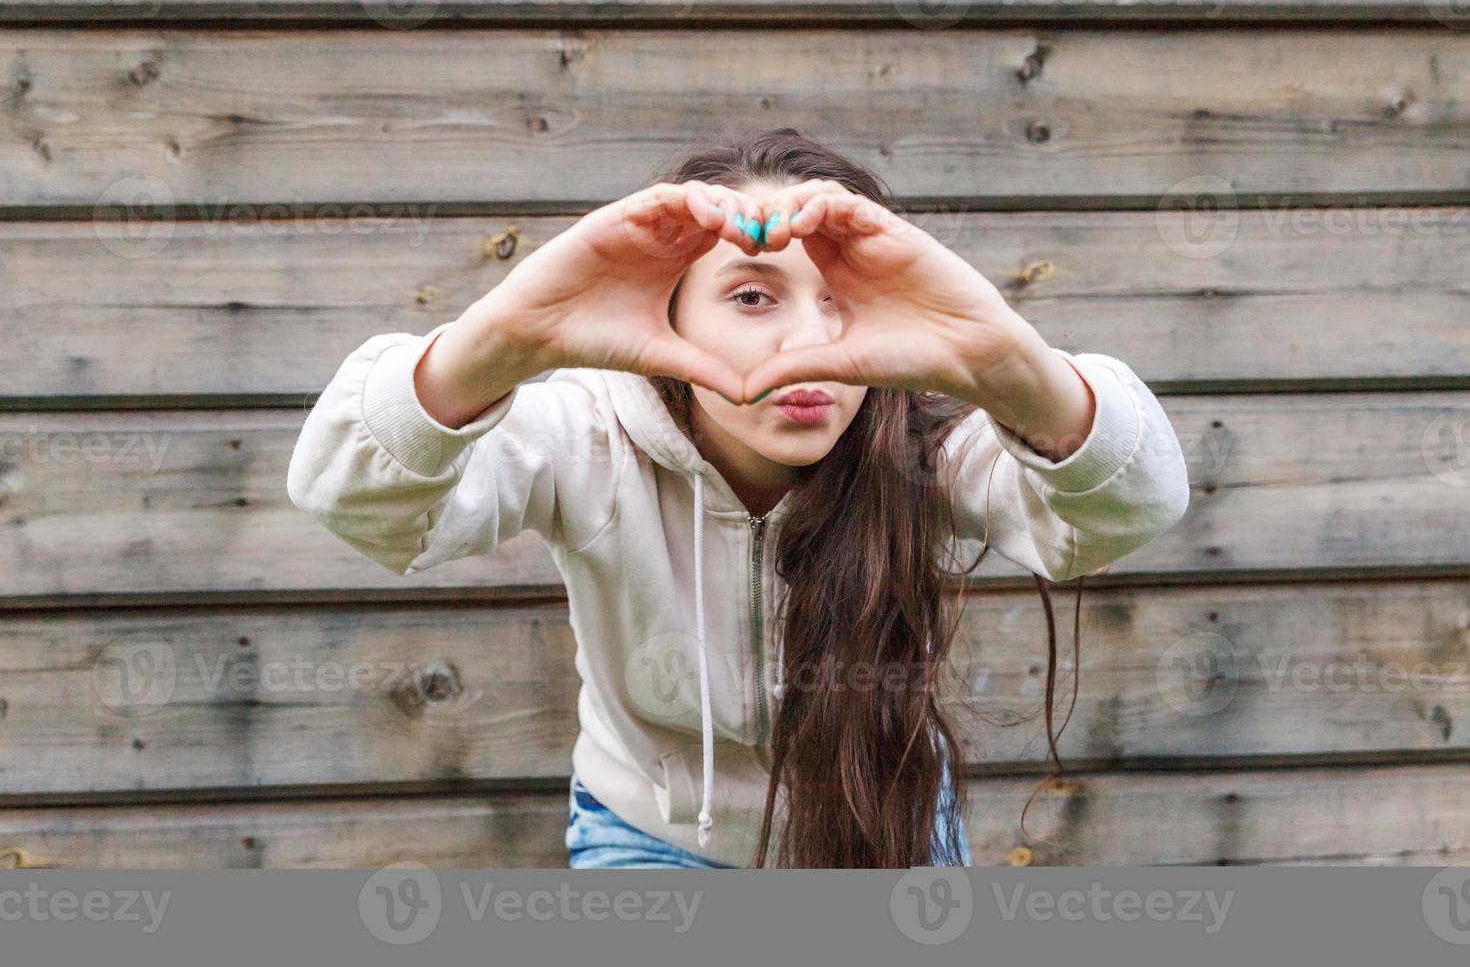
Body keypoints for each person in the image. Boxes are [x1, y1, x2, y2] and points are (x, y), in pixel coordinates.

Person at [286, 127, 1190, 868]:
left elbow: (1131, 502)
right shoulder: (585, 434)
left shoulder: (924, 444)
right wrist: (503, 337)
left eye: (840, 301)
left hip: (887, 825)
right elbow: (356, 499)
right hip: (649, 837)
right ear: (670, 313)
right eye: (753, 295)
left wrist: (1007, 363)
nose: (808, 340)